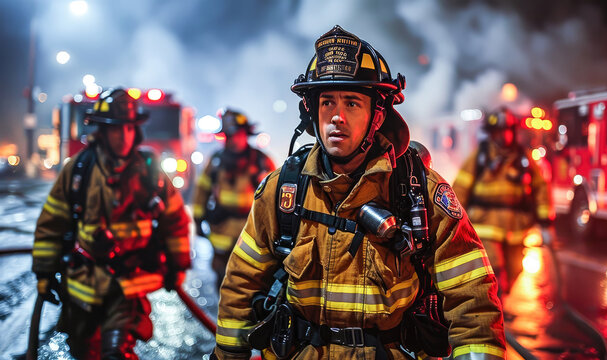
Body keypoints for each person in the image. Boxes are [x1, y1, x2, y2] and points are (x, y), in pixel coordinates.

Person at [212, 26, 505, 360]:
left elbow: (473, 299)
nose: (337, 117)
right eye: (327, 102)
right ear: (311, 110)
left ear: (377, 114)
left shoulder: (419, 191)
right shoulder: (283, 191)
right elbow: (241, 283)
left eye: (352, 103)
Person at [32, 88, 191, 359]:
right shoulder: (78, 169)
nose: (124, 136)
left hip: (127, 285)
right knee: (84, 352)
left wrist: (179, 264)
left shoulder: (151, 170)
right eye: (117, 129)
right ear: (102, 131)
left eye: (129, 129)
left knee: (116, 352)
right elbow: (52, 223)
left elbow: (175, 219)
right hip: (82, 285)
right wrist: (44, 273)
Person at [452, 107, 554, 297]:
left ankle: (500, 303)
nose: (504, 136)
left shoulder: (524, 158)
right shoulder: (480, 157)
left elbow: (541, 188)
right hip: (486, 226)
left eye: (507, 130)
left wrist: (545, 222)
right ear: (491, 133)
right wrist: (454, 220)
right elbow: (461, 188)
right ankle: (495, 312)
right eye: (499, 131)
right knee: (494, 270)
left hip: (516, 229)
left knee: (516, 270)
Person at [191, 109, 275, 290]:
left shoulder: (261, 161)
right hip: (221, 231)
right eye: (227, 136)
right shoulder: (216, 161)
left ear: (245, 133)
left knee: (252, 284)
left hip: (251, 234)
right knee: (223, 284)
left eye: (235, 135)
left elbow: (274, 198)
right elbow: (202, 190)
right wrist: (198, 220)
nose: (231, 140)